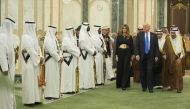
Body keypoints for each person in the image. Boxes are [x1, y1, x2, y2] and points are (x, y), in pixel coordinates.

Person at [21, 21, 42, 106]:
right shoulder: (25, 37)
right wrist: (38, 58)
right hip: (28, 61)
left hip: (34, 61)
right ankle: (28, 101)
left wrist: (41, 56)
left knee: (34, 81)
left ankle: (36, 99)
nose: (34, 28)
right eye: (33, 26)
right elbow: (30, 49)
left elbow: (38, 48)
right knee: (29, 81)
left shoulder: (34, 37)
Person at [135, 23, 159, 93]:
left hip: (151, 56)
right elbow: (136, 46)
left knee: (149, 71)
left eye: (145, 27)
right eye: (143, 27)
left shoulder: (154, 35)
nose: (144, 28)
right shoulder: (139, 35)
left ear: (149, 28)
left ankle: (150, 87)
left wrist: (156, 55)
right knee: (143, 72)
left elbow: (156, 47)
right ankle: (144, 86)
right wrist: (137, 54)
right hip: (142, 56)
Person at [0, 18, 16, 109]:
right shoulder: (2, 36)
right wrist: (5, 68)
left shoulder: (8, 37)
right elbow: (1, 53)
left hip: (9, 69)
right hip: (4, 70)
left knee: (8, 91)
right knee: (5, 93)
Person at [43, 26, 62, 99]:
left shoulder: (55, 39)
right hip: (50, 60)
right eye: (55, 30)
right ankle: (48, 95)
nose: (56, 32)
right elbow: (51, 51)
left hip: (55, 60)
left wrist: (60, 56)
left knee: (55, 77)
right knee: (50, 77)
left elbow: (58, 49)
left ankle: (55, 94)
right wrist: (58, 58)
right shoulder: (47, 39)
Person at [165, 29, 186, 93]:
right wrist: (164, 54)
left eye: (174, 33)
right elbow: (164, 48)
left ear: (176, 33)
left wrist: (180, 58)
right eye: (172, 33)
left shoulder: (180, 39)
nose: (173, 34)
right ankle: (172, 86)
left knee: (178, 73)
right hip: (170, 58)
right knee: (171, 72)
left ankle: (179, 88)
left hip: (178, 58)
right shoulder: (168, 39)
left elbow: (183, 50)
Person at [61, 27, 80, 94]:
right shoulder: (65, 39)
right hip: (67, 59)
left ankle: (71, 89)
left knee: (71, 74)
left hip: (73, 58)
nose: (74, 32)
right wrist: (77, 53)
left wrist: (78, 51)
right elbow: (69, 49)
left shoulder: (72, 39)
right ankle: (66, 90)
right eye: (73, 31)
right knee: (67, 75)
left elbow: (76, 47)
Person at [115, 24, 134, 90]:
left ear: (127, 29)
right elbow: (117, 46)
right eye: (123, 28)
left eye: (125, 28)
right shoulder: (119, 36)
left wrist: (132, 55)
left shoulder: (130, 37)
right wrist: (116, 55)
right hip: (120, 53)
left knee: (126, 68)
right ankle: (119, 84)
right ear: (121, 29)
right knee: (120, 68)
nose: (124, 29)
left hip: (127, 53)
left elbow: (132, 46)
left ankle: (124, 84)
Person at [79, 22, 96, 89]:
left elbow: (91, 43)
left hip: (89, 54)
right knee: (85, 70)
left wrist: (94, 50)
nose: (89, 27)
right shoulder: (82, 34)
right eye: (88, 26)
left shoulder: (88, 34)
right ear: (84, 26)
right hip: (85, 54)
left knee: (89, 69)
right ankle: (85, 85)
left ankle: (89, 84)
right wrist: (92, 51)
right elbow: (83, 45)